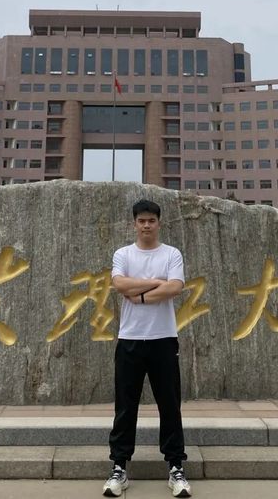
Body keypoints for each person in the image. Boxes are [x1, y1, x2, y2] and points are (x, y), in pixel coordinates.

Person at [103, 199, 191, 498]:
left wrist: (139, 294)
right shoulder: (123, 254)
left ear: (159, 223)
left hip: (163, 339)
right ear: (134, 224)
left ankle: (176, 467)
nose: (146, 225)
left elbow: (175, 287)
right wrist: (155, 283)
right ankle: (119, 466)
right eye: (141, 220)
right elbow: (119, 284)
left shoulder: (171, 254)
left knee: (170, 404)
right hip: (130, 339)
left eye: (151, 220)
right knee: (125, 406)